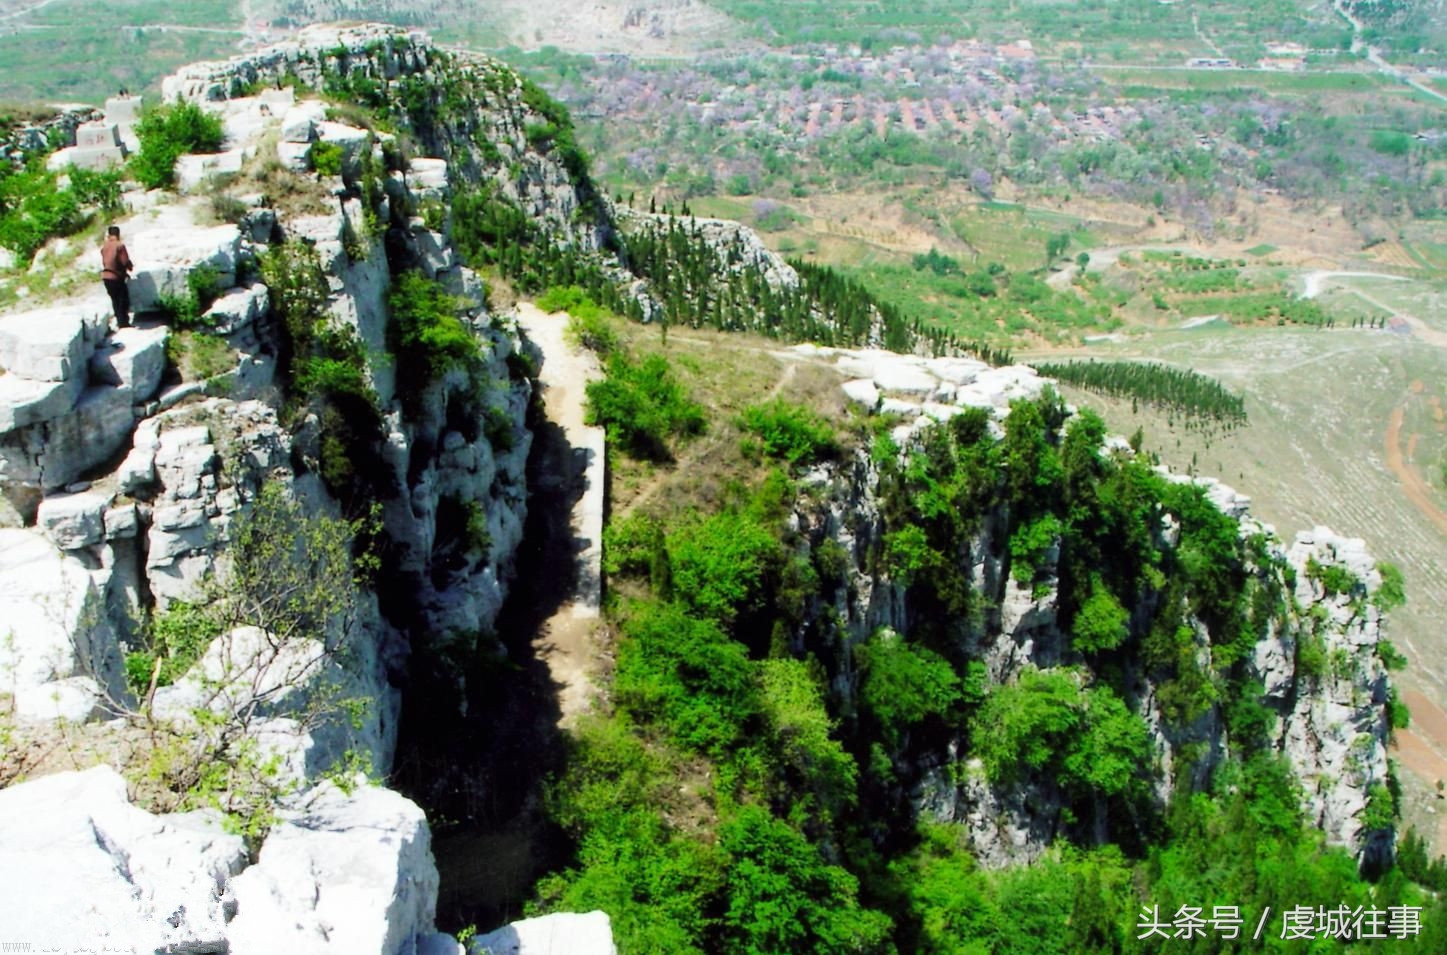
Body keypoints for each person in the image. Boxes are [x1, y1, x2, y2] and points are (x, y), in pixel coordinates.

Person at [100, 225, 133, 329]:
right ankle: (124, 323)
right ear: (118, 234)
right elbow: (125, 262)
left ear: (109, 235)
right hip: (115, 277)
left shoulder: (104, 247)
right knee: (123, 299)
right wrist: (129, 268)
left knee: (115, 300)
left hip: (106, 277)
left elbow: (106, 262)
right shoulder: (119, 246)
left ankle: (120, 322)